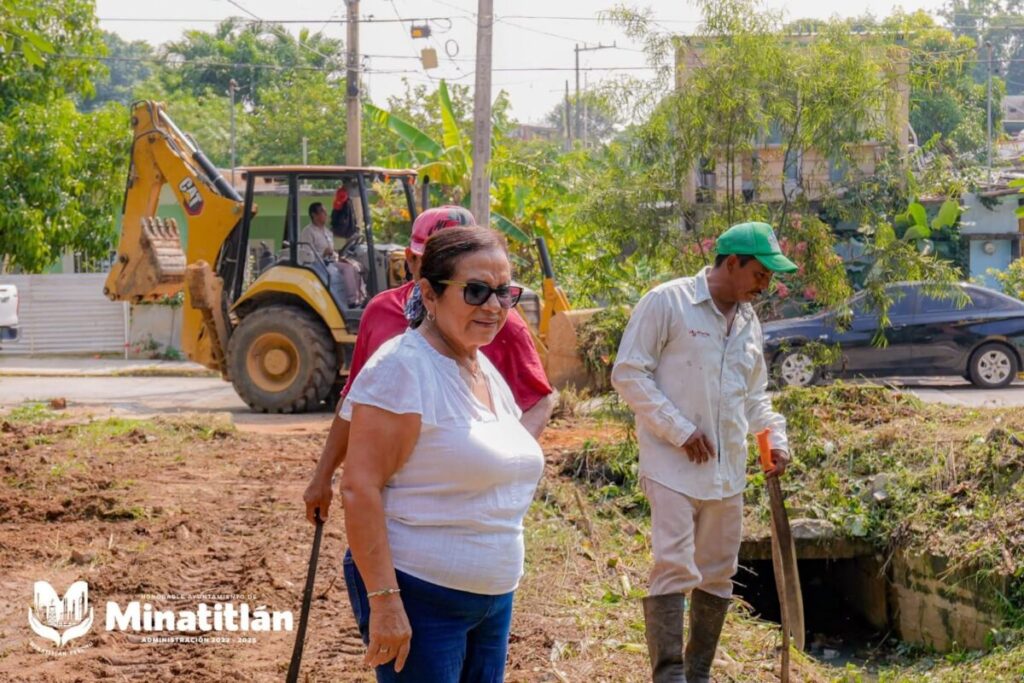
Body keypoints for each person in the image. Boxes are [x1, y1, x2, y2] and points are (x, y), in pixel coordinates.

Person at [339, 226, 544, 681]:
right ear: (429, 294)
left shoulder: (480, 366)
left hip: (491, 602)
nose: (493, 306)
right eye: (475, 291)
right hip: (423, 599)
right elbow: (359, 488)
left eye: (503, 292)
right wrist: (385, 602)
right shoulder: (402, 369)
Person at [610, 221, 797, 683]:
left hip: (727, 470)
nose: (765, 285)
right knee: (674, 565)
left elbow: (754, 395)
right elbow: (629, 374)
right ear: (731, 263)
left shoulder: (749, 321)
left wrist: (774, 437)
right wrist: (680, 430)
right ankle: (669, 675)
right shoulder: (667, 302)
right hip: (671, 465)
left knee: (718, 573)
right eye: (760, 273)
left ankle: (698, 673)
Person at [303, 206, 555, 525]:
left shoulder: (499, 321)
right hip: (396, 504)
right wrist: (322, 475)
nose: (441, 268)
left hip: (467, 508)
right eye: (431, 260)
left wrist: (501, 461)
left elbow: (539, 398)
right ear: (411, 261)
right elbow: (352, 403)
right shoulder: (381, 313)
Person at [298, 202, 363, 308]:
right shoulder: (308, 232)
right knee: (348, 269)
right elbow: (306, 255)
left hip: (330, 262)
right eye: (323, 212)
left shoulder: (327, 232)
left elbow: (332, 251)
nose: (326, 214)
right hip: (318, 266)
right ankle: (352, 301)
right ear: (314, 215)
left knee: (356, 266)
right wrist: (322, 254)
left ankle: (360, 297)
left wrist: (339, 256)